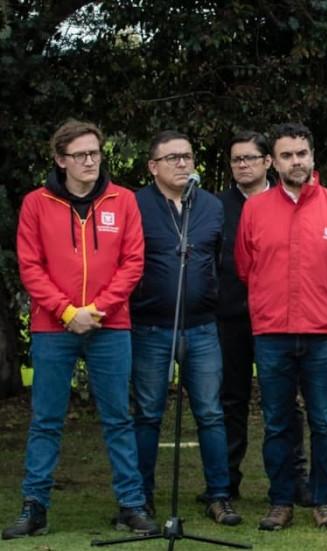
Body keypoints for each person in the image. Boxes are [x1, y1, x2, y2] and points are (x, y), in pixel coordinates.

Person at [4, 120, 158, 539]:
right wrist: (67, 311)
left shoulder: (123, 200)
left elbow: (133, 263)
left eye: (95, 153)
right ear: (60, 160)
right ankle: (34, 507)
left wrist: (98, 308)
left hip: (111, 325)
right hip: (53, 327)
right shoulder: (35, 203)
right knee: (46, 420)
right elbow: (30, 266)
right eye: (80, 155)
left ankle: (131, 505)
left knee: (118, 419)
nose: (90, 161)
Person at [235, 123, 327, 530]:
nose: (296, 161)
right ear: (273, 161)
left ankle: (324, 498)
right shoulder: (254, 209)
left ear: (312, 156)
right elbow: (245, 266)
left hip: (321, 332)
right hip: (271, 333)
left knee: (324, 420)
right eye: (287, 155)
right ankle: (281, 498)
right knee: (277, 421)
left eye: (302, 153)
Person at [130, 131, 240, 525]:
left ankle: (219, 494)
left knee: (210, 412)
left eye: (188, 156)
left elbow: (219, 259)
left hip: (202, 326)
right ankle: (140, 498)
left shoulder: (209, 205)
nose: (182, 163)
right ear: (152, 166)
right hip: (151, 326)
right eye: (172, 157)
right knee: (148, 413)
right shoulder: (135, 204)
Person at [214, 131, 311, 506]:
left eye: (250, 158)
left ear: (268, 162)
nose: (243, 166)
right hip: (232, 318)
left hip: (280, 320)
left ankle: (295, 478)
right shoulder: (216, 206)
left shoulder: (290, 200)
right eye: (236, 160)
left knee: (287, 403)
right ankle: (227, 480)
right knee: (231, 400)